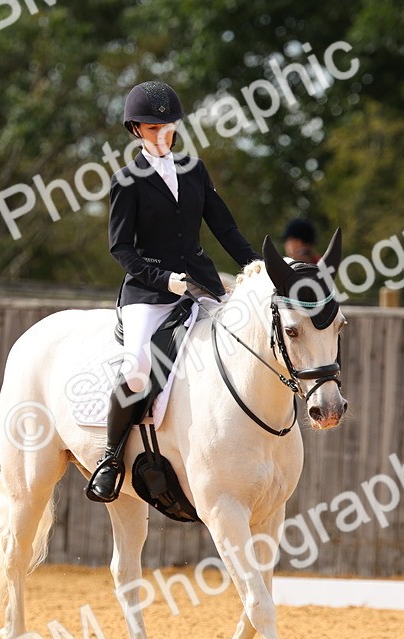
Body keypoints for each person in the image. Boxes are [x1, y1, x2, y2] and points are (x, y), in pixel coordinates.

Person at [85, 80, 260, 503]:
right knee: (138, 368)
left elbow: (225, 227)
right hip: (148, 293)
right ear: (136, 131)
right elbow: (121, 248)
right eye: (152, 127)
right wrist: (162, 279)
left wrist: (255, 266)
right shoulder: (127, 181)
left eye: (169, 126)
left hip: (201, 283)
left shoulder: (194, 170)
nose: (163, 134)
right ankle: (110, 459)